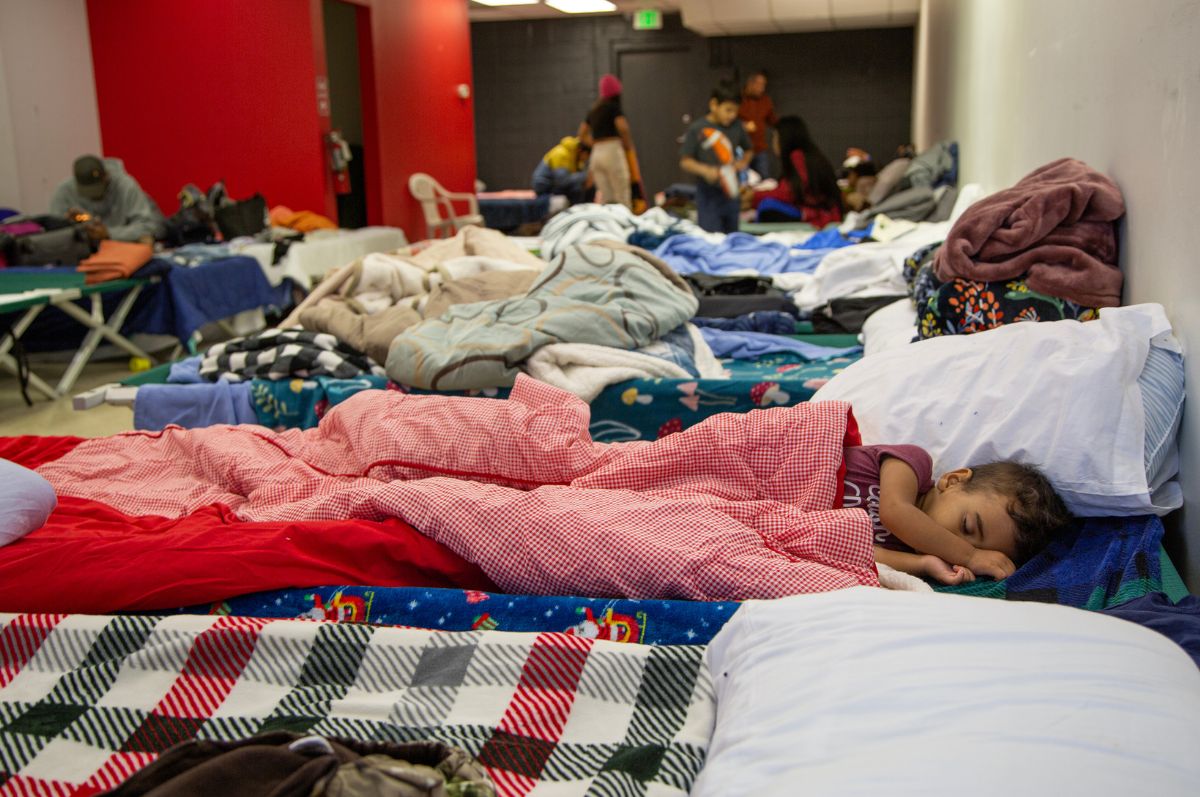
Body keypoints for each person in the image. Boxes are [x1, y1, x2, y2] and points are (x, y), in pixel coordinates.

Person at [842, 445, 1073, 585]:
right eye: (967, 526)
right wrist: (971, 556)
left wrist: (924, 564)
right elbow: (894, 511)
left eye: (974, 548)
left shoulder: (906, 547)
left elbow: (862, 555)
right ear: (953, 481)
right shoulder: (913, 463)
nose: (951, 547)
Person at [680, 81, 753, 234]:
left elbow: (749, 150)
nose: (732, 115)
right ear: (714, 104)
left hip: (731, 191)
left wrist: (742, 163)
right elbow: (685, 161)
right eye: (728, 110)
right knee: (711, 237)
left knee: (733, 236)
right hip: (708, 194)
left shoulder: (737, 126)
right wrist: (705, 170)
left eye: (735, 111)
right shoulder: (697, 128)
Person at [749, 115, 843, 228]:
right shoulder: (807, 155)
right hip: (823, 211)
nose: (773, 142)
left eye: (775, 137)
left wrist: (753, 196)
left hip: (820, 215)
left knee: (766, 206)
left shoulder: (798, 156)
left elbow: (790, 192)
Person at [48, 155, 165, 243]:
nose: (93, 196)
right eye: (87, 192)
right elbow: (53, 233)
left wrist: (108, 234)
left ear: (106, 176)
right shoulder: (64, 192)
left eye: (97, 189)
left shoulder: (125, 186)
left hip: (125, 247)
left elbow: (149, 227)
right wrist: (69, 224)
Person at [577, 74, 637, 209]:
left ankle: (608, 225)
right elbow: (623, 127)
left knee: (606, 197)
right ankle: (626, 226)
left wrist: (595, 144)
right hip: (612, 150)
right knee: (622, 194)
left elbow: (581, 133)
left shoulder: (594, 110)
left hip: (596, 155)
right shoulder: (614, 107)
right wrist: (628, 145)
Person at [738, 69, 779, 179]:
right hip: (741, 151)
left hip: (760, 149)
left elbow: (772, 120)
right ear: (750, 84)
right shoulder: (737, 99)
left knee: (764, 179)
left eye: (764, 85)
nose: (762, 88)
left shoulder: (766, 100)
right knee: (742, 180)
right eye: (759, 84)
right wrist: (742, 126)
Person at [531, 135, 591, 206]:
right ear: (581, 150)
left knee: (583, 187)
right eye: (587, 155)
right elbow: (562, 181)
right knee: (576, 189)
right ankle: (576, 212)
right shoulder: (561, 154)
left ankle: (584, 210)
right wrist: (586, 176)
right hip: (544, 187)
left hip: (555, 185)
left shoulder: (576, 159)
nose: (586, 159)